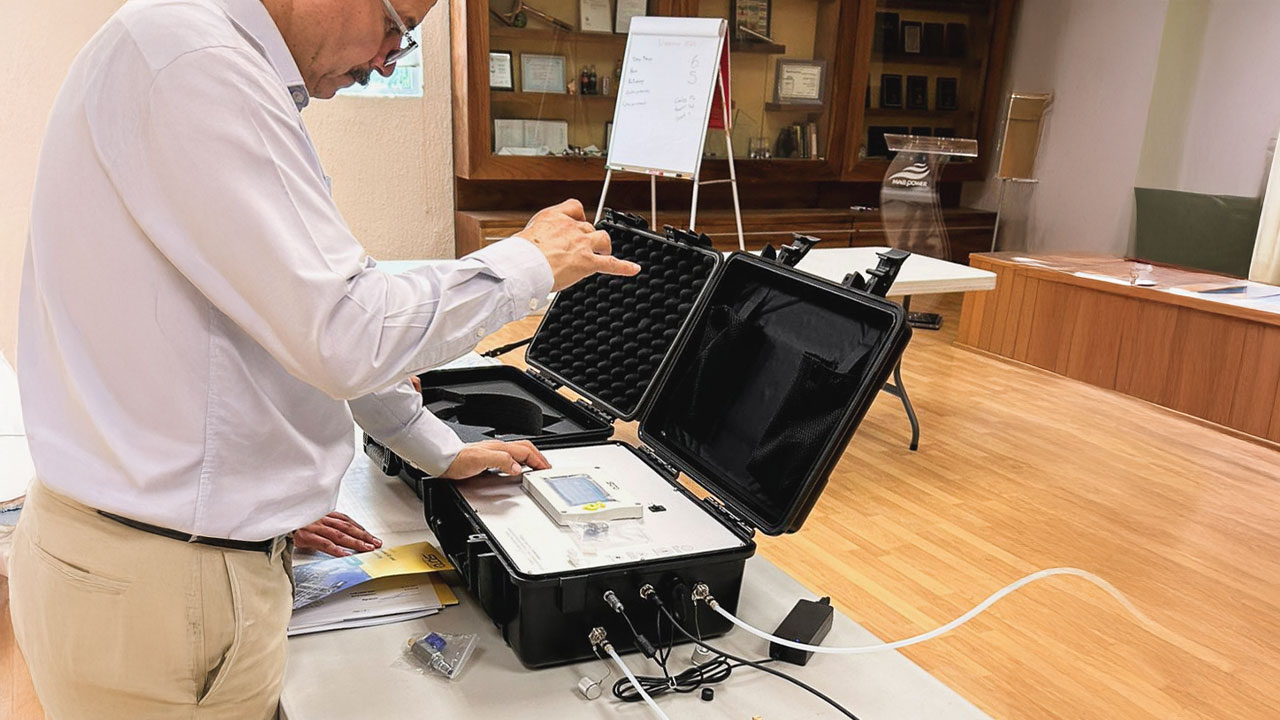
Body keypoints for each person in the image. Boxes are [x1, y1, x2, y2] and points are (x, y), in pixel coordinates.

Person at [9, 0, 640, 717]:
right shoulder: (197, 65)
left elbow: (302, 318)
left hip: (157, 557)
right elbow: (343, 334)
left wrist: (438, 450)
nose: (386, 62)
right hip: (163, 577)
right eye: (398, 30)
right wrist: (526, 265)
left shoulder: (195, 56)